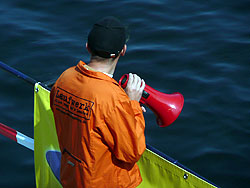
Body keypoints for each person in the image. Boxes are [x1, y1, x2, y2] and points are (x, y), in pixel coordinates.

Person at [50, 16, 146, 188]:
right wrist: (132, 105)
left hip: (72, 177)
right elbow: (132, 152)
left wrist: (124, 107)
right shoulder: (113, 99)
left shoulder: (64, 78)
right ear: (123, 51)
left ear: (88, 47)